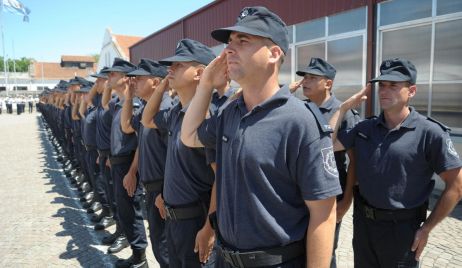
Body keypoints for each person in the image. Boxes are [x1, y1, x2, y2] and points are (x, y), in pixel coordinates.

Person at [181, 6, 341, 268]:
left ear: (274, 53)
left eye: (243, 41)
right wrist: (206, 84)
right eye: (229, 42)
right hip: (226, 259)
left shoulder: (300, 121)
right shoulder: (229, 113)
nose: (229, 49)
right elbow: (188, 136)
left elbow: (323, 215)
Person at [329, 58, 462, 268]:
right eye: (382, 85)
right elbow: (325, 145)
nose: (384, 91)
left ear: (412, 91)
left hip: (401, 231)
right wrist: (343, 108)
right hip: (364, 225)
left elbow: (456, 186)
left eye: (393, 85)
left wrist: (426, 228)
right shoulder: (365, 128)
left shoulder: (430, 133)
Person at [141, 38, 217, 268]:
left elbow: (221, 178)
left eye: (178, 66)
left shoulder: (208, 116)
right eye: (169, 66)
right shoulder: (175, 113)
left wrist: (210, 227)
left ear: (199, 73)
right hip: (173, 218)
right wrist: (164, 85)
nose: (170, 69)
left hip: (196, 220)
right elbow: (147, 119)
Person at [293, 57, 360, 268]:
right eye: (305, 77)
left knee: (324, 251)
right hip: (297, 194)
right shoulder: (298, 109)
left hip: (328, 195)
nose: (305, 82)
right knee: (297, 249)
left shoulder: (344, 113)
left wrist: (347, 200)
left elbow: (354, 161)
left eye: (312, 78)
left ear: (328, 83)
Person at [121, 58, 171, 268]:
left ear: (156, 82)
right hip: (151, 187)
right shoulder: (145, 110)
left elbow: (174, 156)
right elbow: (126, 127)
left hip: (163, 189)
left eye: (140, 79)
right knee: (159, 246)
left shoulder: (166, 109)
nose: (135, 82)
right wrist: (129, 96)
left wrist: (165, 193)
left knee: (167, 249)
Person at [102, 58, 148, 268]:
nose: (109, 77)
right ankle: (135, 252)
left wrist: (132, 170)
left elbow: (140, 142)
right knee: (124, 210)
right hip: (118, 162)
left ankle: (140, 257)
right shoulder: (117, 103)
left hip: (130, 164)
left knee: (131, 210)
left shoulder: (135, 104)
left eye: (113, 74)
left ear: (125, 78)